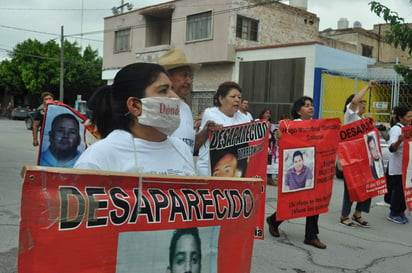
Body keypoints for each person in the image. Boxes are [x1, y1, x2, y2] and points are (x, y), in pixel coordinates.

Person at [74, 62, 195, 175]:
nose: (174, 97)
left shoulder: (181, 150)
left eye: (172, 89)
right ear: (135, 105)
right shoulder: (99, 156)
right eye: (163, 90)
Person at [266, 96, 327, 249]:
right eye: (306, 106)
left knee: (313, 202)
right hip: (294, 169)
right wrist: (279, 138)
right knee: (294, 201)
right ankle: (274, 220)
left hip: (311, 169)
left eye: (311, 105)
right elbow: (282, 145)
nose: (310, 108)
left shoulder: (316, 125)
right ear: (299, 111)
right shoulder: (292, 126)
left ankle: (311, 236)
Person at [158, 48, 214, 155]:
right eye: (184, 75)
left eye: (190, 76)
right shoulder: (157, 108)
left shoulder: (185, 108)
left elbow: (189, 147)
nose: (189, 81)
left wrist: (205, 133)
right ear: (166, 77)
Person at [339, 80, 376, 228]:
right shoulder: (350, 116)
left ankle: (358, 213)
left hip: (365, 159)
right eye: (361, 103)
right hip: (352, 158)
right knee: (351, 188)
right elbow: (354, 100)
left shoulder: (362, 120)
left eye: (364, 104)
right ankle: (344, 216)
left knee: (368, 186)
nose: (363, 105)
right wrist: (368, 86)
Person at [196, 81, 250, 176]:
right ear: (221, 99)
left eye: (239, 97)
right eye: (233, 97)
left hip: (232, 170)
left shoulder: (244, 118)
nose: (237, 100)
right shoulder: (211, 113)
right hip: (209, 169)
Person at [386, 105, 412, 224]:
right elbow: (392, 148)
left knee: (404, 190)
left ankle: (401, 211)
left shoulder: (408, 128)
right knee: (398, 190)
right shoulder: (397, 129)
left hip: (406, 166)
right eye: (408, 116)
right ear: (401, 118)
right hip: (397, 166)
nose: (411, 118)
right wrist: (400, 140)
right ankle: (393, 213)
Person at [257, 108, 277, 186]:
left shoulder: (270, 124)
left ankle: (269, 179)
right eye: (266, 113)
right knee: (259, 164)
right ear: (262, 114)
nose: (268, 115)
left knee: (269, 164)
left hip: (269, 148)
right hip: (260, 148)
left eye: (269, 113)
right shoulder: (258, 123)